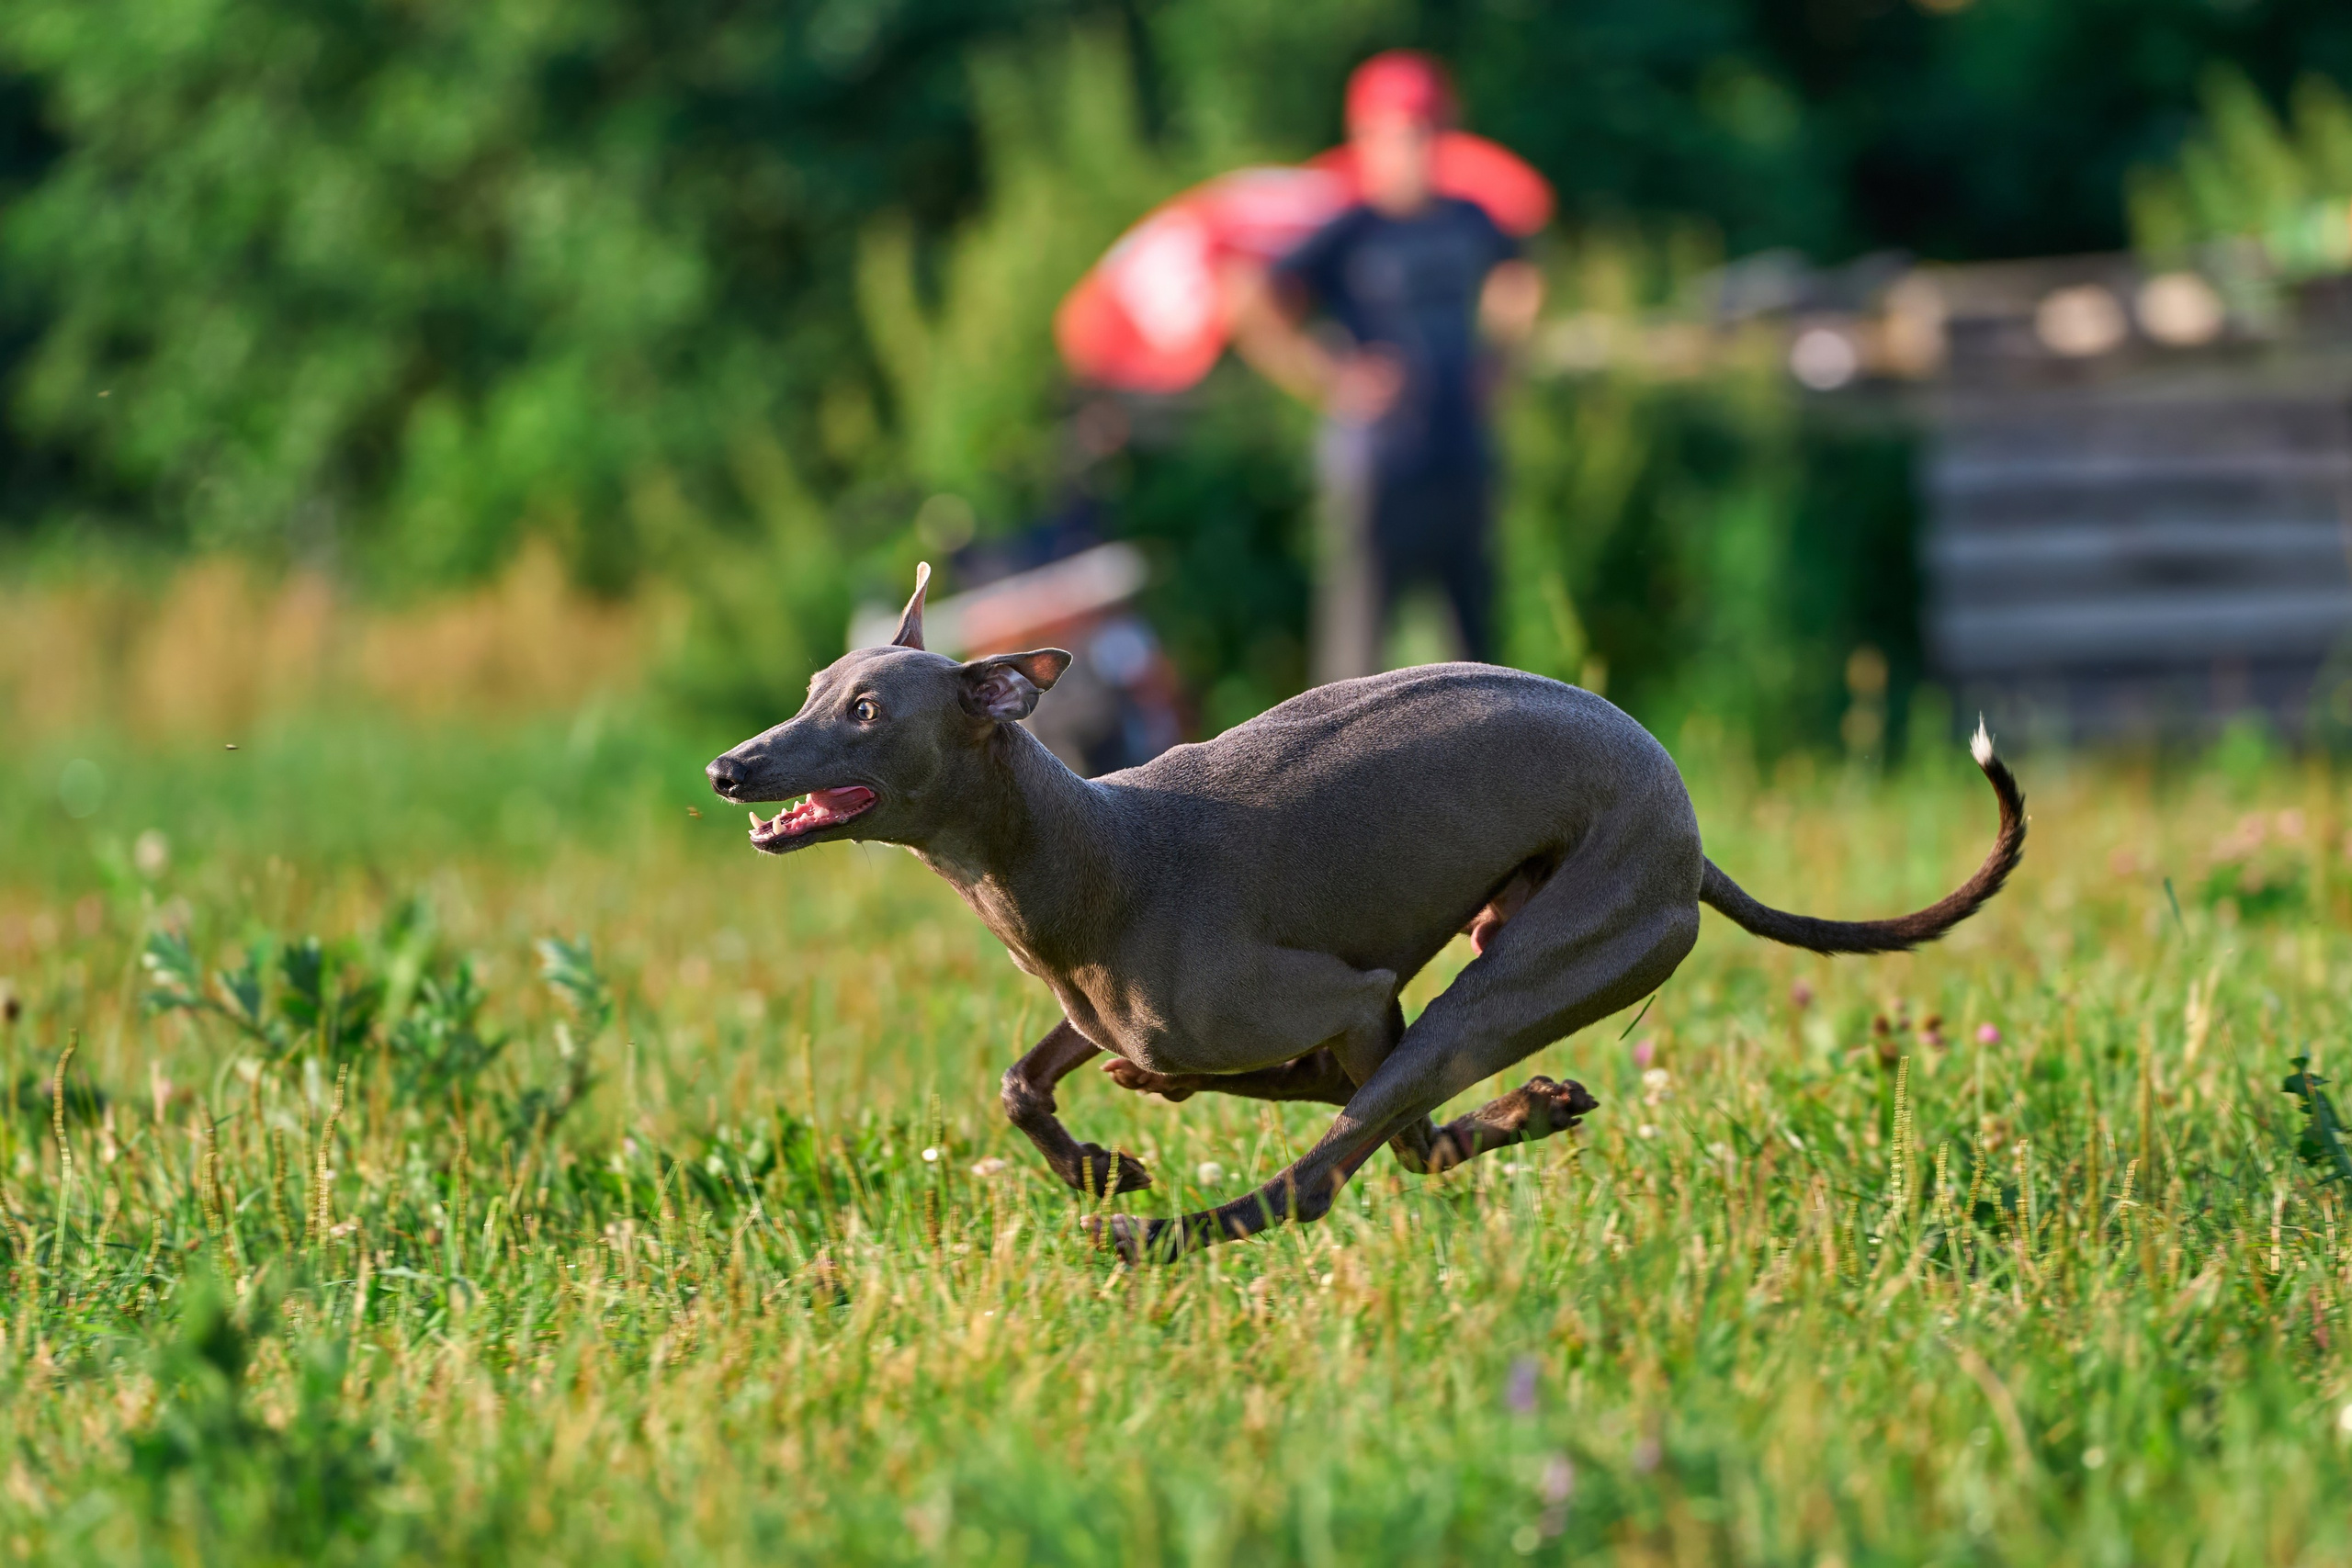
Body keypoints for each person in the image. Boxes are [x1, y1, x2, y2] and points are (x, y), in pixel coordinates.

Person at [1231, 51, 1544, 683]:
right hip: (1377, 464)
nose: (1417, 149)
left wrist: (1501, 362)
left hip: (1460, 451)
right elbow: (1248, 301)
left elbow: (1523, 276)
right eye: (1402, 133)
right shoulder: (1349, 231)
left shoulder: (1467, 217)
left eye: (1429, 131)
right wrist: (1330, 376)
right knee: (1355, 654)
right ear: (1366, 139)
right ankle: (1341, 781)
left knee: (1479, 652)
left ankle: (1486, 779)